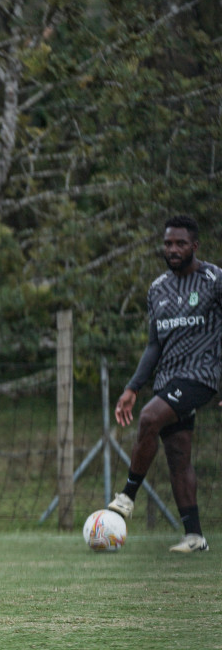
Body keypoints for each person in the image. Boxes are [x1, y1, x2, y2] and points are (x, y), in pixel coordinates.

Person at [108, 215, 221, 553]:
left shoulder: (215, 280)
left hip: (203, 374)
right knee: (178, 455)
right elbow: (154, 345)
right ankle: (195, 535)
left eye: (180, 243)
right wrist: (132, 386)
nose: (173, 249)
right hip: (168, 378)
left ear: (195, 246)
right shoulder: (158, 289)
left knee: (149, 418)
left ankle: (127, 497)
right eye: (168, 243)